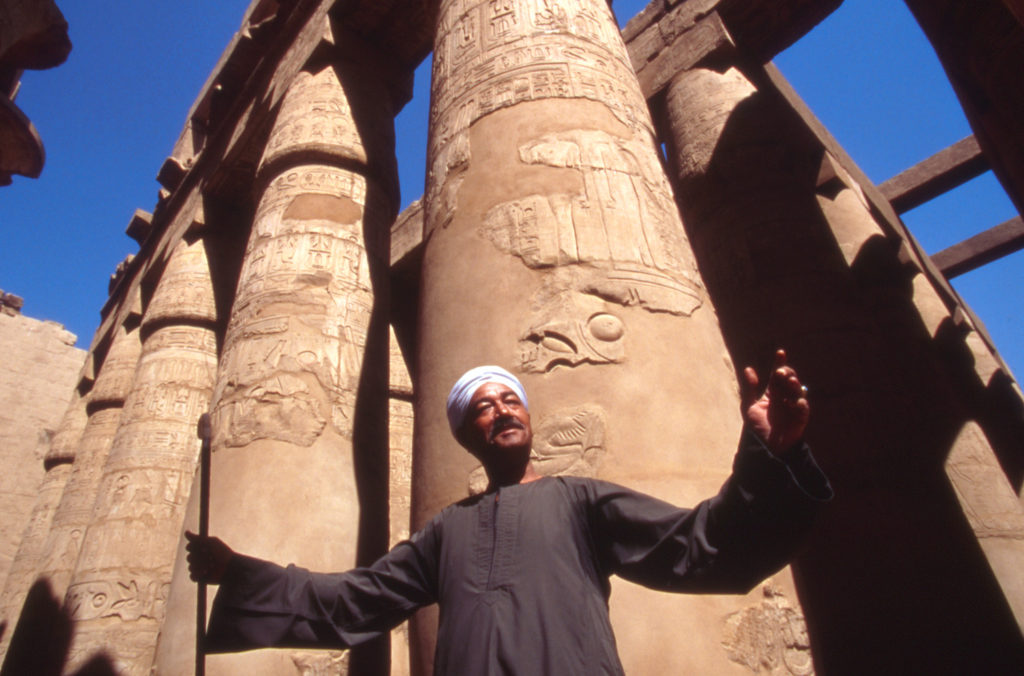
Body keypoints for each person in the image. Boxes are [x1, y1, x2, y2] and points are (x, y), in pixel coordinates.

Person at [186, 350, 831, 674]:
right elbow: (355, 601)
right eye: (484, 406)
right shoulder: (443, 533)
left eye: (510, 399)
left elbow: (698, 545)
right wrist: (242, 571)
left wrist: (767, 457)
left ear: (528, 414)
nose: (502, 409)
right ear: (469, 432)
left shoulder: (581, 500)